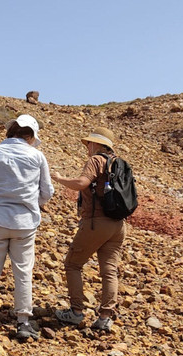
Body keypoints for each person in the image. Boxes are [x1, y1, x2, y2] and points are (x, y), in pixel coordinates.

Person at [0, 115, 54, 339]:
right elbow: (47, 191)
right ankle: (23, 320)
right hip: (24, 222)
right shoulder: (37, 156)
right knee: (23, 271)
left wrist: (0, 200)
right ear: (31, 136)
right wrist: (30, 203)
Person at [50, 127, 127, 333]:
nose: (87, 147)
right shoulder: (118, 163)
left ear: (95, 144)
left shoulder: (97, 160)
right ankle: (105, 317)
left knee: (73, 264)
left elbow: (82, 183)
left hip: (96, 222)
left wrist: (59, 179)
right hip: (118, 225)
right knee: (109, 271)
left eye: (88, 144)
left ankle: (76, 313)